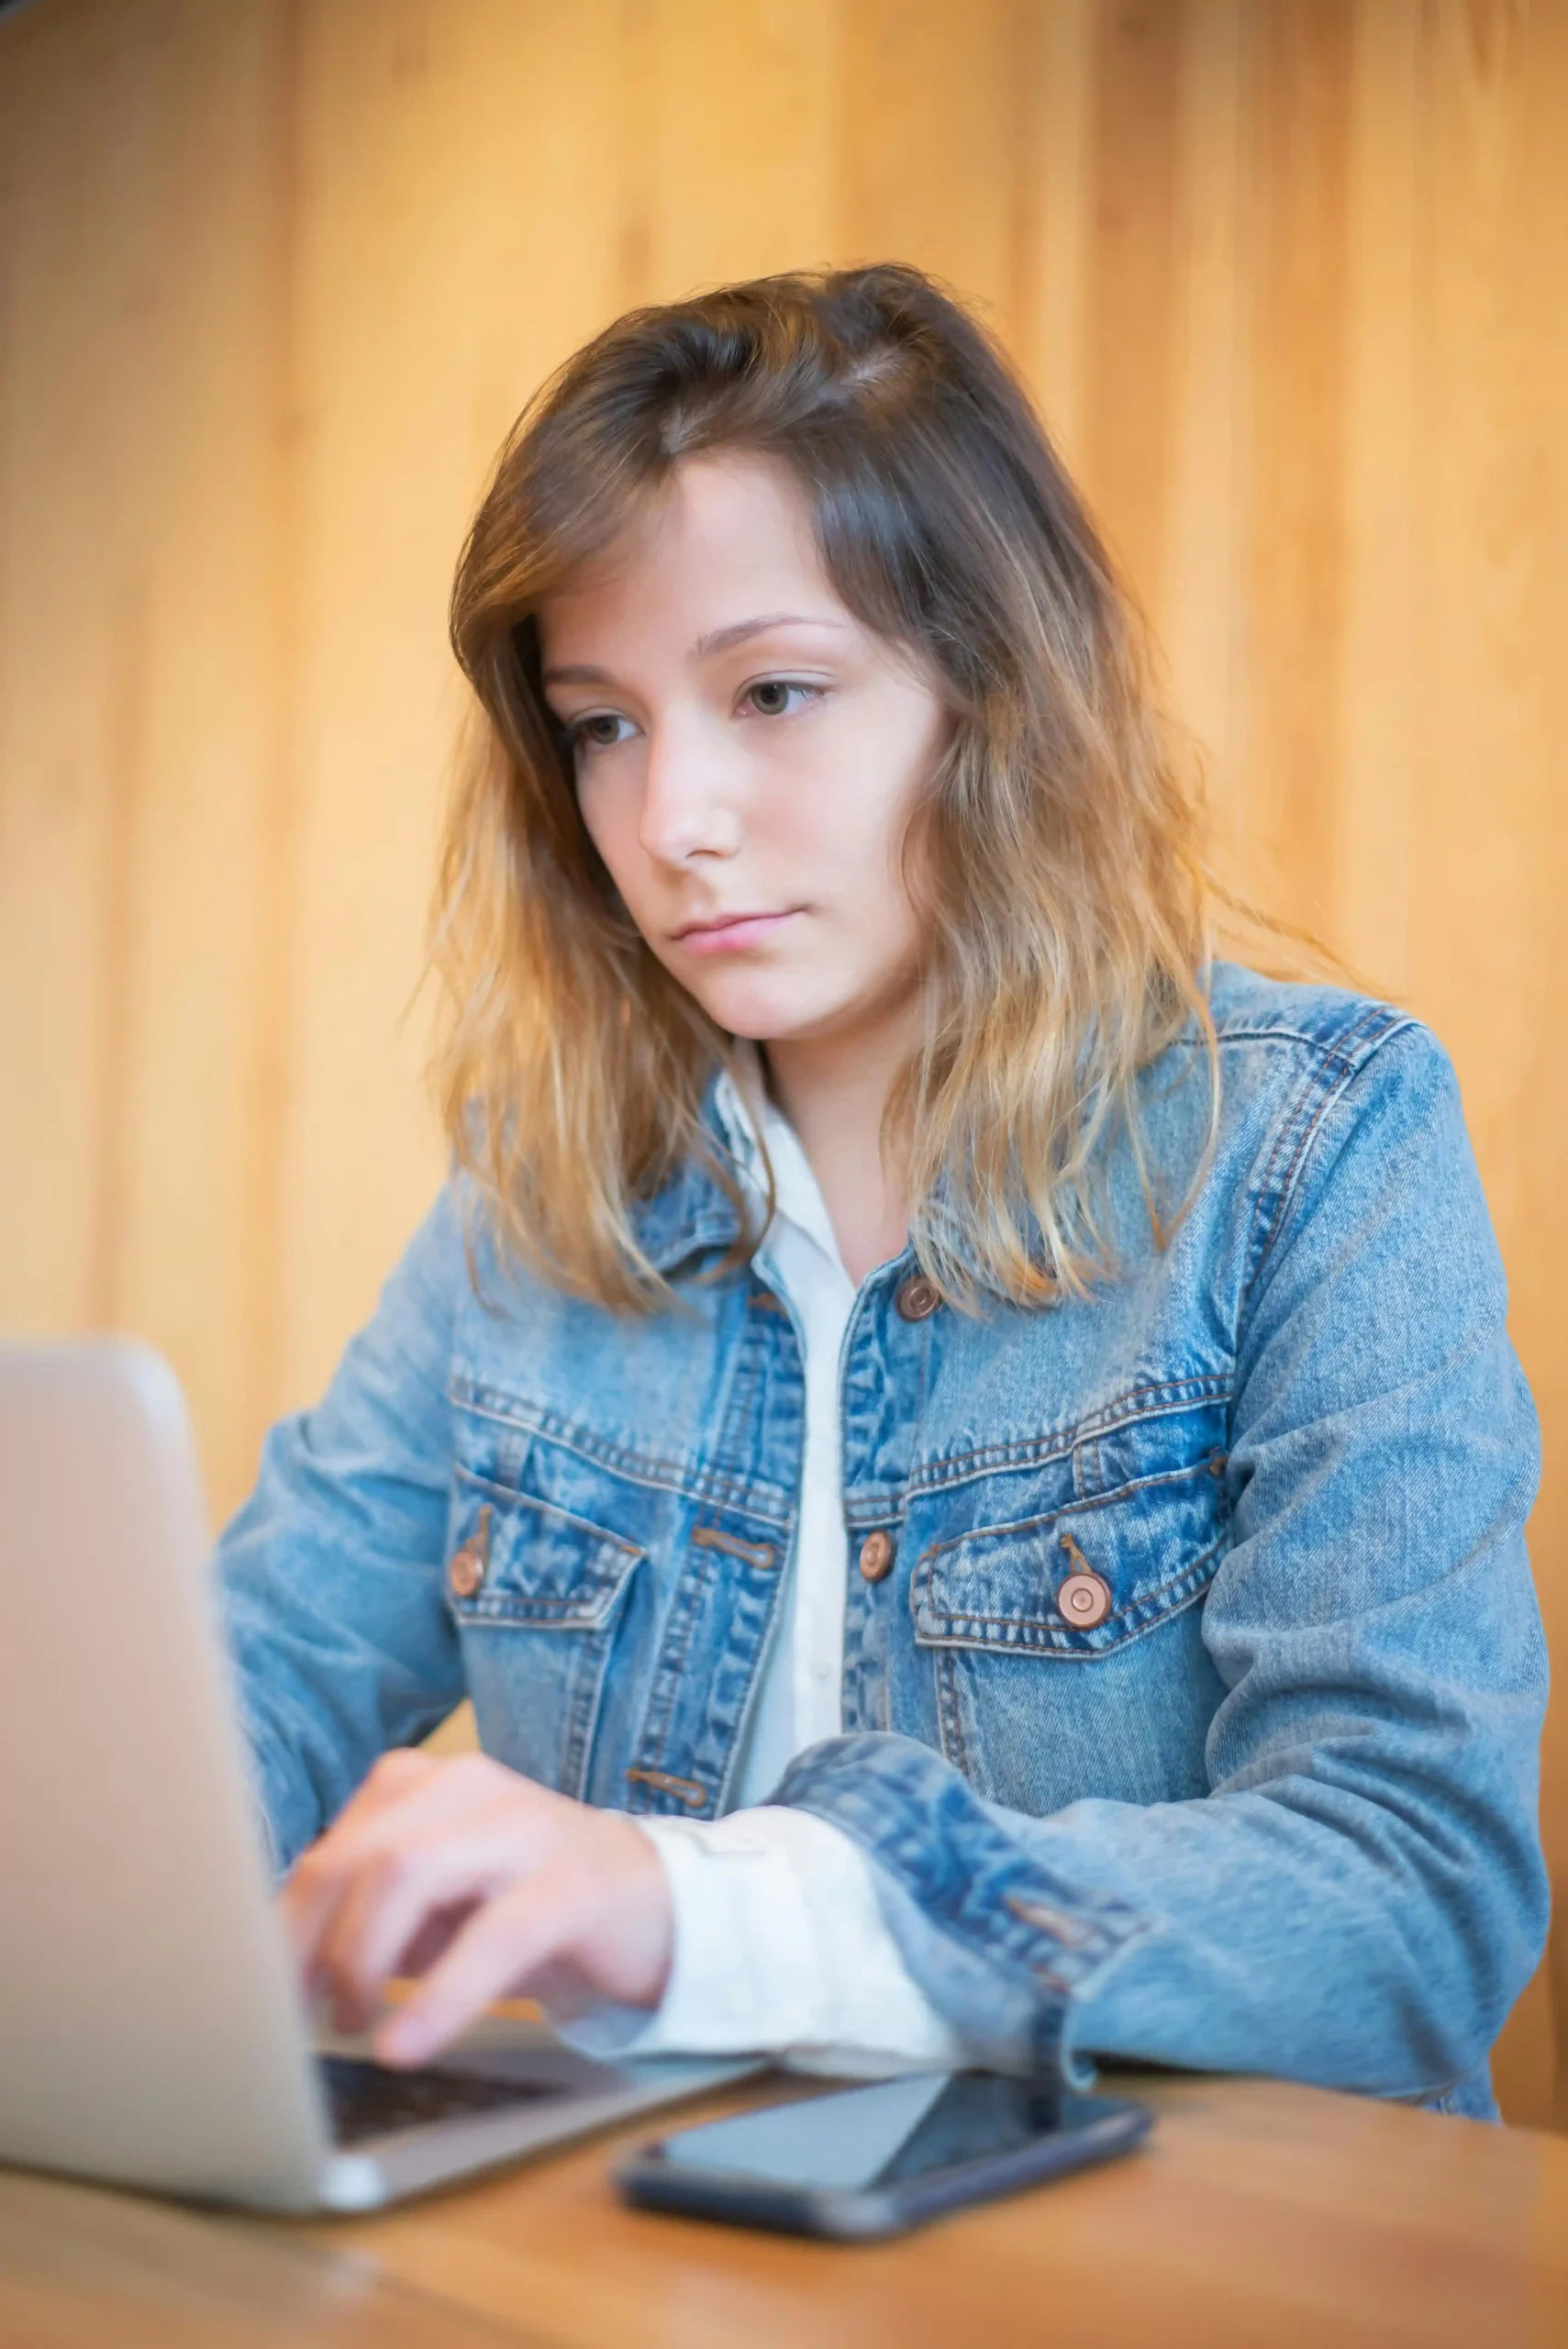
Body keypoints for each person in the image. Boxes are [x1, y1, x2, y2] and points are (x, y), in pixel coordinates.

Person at [216, 262, 1548, 2121]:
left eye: (769, 691)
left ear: (987, 695)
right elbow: (246, 1680)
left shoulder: (1314, 1142)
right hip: (659, 2263)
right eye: (600, 721)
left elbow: (1410, 1902)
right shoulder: (540, 1202)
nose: (670, 815)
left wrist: (700, 1909)